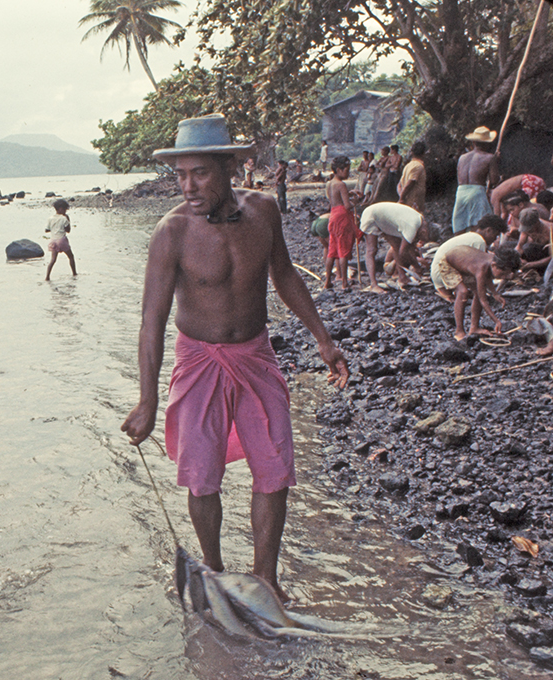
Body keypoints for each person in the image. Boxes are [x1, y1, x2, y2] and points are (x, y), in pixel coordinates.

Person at [120, 115, 349, 601]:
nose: (189, 186)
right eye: (180, 175)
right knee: (202, 476)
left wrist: (323, 340)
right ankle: (215, 572)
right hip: (198, 360)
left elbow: (285, 275)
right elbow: (151, 321)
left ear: (229, 166)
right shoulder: (172, 232)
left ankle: (267, 578)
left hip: (255, 355)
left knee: (274, 466)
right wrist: (146, 401)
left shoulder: (264, 210)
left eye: (199, 173)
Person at [435, 244, 520, 340]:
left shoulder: (494, 260)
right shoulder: (481, 269)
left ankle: (474, 327)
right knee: (463, 292)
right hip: (448, 264)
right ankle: (459, 330)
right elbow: (483, 300)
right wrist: (496, 321)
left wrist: (495, 293)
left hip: (463, 262)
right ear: (494, 265)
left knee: (477, 291)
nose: (504, 277)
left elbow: (488, 277)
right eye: (503, 274)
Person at [430, 214, 507, 302]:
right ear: (489, 230)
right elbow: (484, 270)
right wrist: (494, 292)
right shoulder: (479, 241)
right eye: (495, 236)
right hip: (443, 273)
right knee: (479, 282)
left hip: (437, 275)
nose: (494, 239)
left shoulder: (470, 236)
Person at [359, 202, 430, 293]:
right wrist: (417, 266)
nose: (421, 240)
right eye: (422, 238)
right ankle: (373, 285)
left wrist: (417, 266)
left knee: (396, 245)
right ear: (424, 232)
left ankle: (402, 277)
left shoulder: (420, 220)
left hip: (385, 219)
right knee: (372, 250)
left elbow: (408, 248)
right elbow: (403, 252)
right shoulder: (413, 226)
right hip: (372, 215)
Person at [322, 156, 361, 291]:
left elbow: (336, 198)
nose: (348, 173)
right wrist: (356, 201)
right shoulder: (341, 184)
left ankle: (327, 281)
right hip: (342, 217)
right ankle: (344, 282)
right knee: (343, 250)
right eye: (346, 170)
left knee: (332, 250)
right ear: (338, 170)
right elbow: (347, 205)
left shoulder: (330, 183)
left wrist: (349, 193)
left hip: (333, 215)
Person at [452, 127, 498, 234]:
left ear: (473, 142)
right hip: (477, 192)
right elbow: (494, 180)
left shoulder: (462, 157)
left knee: (460, 228)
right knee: (479, 226)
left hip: (461, 192)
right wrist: (496, 162)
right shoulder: (490, 157)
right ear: (487, 143)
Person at [45, 198, 77, 280]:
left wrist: (54, 227)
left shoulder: (50, 218)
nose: (65, 211)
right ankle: (74, 273)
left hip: (53, 241)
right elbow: (68, 230)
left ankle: (47, 277)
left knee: (52, 260)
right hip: (61, 240)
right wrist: (68, 220)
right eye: (65, 210)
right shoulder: (64, 218)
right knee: (71, 256)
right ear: (61, 209)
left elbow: (47, 230)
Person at [398, 141, 427, 213]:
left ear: (412, 153)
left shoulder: (408, 165)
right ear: (424, 153)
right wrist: (401, 198)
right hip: (413, 203)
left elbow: (399, 184)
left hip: (408, 201)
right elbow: (410, 182)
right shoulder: (418, 166)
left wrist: (401, 195)